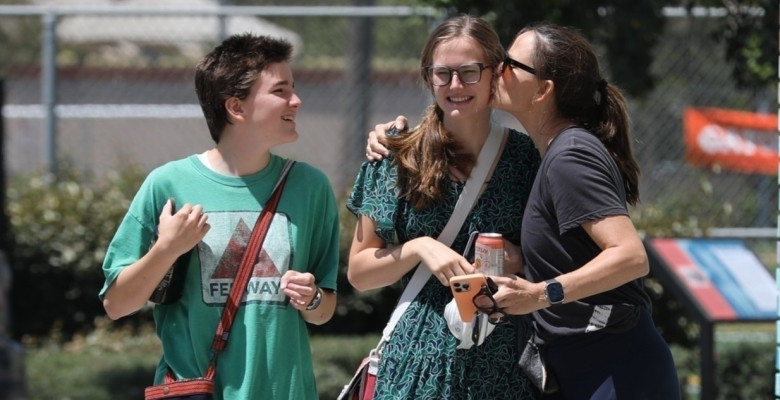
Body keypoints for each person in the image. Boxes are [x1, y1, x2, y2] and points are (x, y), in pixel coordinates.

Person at [369, 22, 680, 400]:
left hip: (612, 366)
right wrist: (523, 259)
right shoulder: (551, 153)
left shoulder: (569, 154)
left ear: (543, 90)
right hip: (590, 365)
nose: (498, 69)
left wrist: (541, 293)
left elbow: (630, 256)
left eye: (511, 64)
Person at [99, 34, 340, 400]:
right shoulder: (168, 184)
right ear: (236, 108)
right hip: (198, 390)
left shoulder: (310, 187)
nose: (297, 100)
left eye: (294, 88)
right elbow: (117, 304)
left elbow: (324, 311)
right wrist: (167, 248)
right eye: (280, 91)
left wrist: (312, 299)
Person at [347, 14, 540, 400]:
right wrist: (421, 247)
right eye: (442, 73)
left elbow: (559, 258)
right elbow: (360, 272)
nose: (455, 85)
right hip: (415, 364)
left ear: (494, 75)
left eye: (469, 72)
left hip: (502, 363)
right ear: (427, 77)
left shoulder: (528, 158)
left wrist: (517, 258)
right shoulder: (396, 155)